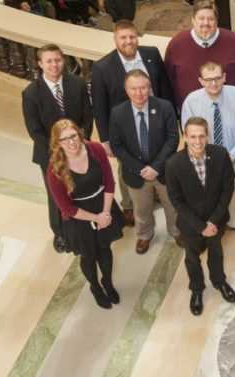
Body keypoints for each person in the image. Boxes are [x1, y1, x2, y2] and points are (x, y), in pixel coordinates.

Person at [92, 20, 174, 225]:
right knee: (126, 167)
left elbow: (163, 85)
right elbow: (100, 106)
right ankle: (130, 205)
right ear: (115, 39)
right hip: (125, 128)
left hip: (157, 118)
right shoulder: (102, 67)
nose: (128, 41)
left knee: (159, 157)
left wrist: (172, 114)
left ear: (137, 37)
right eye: (123, 37)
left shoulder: (152, 54)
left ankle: (155, 191)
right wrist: (105, 139)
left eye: (132, 36)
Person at [22, 44, 93, 253]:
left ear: (63, 60)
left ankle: (85, 225)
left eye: (57, 60)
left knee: (81, 188)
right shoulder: (31, 93)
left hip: (79, 149)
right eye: (49, 61)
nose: (54, 65)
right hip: (50, 155)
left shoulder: (77, 83)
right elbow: (34, 130)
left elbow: (87, 117)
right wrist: (60, 151)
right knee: (57, 195)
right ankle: (60, 233)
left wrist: (79, 143)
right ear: (40, 64)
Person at [46, 119, 124, 309]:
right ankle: (95, 287)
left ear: (79, 134)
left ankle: (107, 281)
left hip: (102, 205)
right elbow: (67, 208)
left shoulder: (95, 149)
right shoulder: (54, 169)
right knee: (89, 256)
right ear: (57, 144)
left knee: (105, 249)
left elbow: (109, 182)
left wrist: (105, 213)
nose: (71, 142)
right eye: (64, 140)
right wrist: (96, 218)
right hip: (79, 217)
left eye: (73, 136)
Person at [165, 117, 235, 315]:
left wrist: (213, 221)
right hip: (190, 225)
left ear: (207, 136)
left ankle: (219, 282)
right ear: (185, 137)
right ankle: (197, 289)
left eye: (201, 136)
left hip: (216, 220)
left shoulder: (221, 155)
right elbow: (177, 201)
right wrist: (200, 226)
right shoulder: (173, 164)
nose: (197, 141)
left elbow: (227, 188)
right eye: (193, 137)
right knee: (192, 257)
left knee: (216, 252)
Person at [182, 61, 235, 241]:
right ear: (200, 80)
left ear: (224, 77)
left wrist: (231, 155)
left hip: (234, 156)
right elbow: (190, 132)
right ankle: (212, 223)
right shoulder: (192, 101)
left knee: (232, 190)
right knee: (207, 192)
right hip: (203, 157)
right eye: (208, 80)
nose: (213, 83)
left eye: (217, 78)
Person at [109, 70, 181, 254]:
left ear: (149, 88)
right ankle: (144, 235)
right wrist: (141, 169)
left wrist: (155, 167)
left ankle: (176, 231)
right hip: (135, 173)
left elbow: (173, 139)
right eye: (134, 89)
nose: (139, 93)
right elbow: (117, 146)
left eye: (143, 88)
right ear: (126, 90)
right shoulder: (118, 113)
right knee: (141, 209)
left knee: (172, 205)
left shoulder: (165, 107)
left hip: (164, 170)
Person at [165, 0, 235, 109]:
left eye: (210, 19)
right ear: (193, 20)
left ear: (217, 21)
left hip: (229, 111)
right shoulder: (176, 44)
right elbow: (168, 81)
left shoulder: (234, 42)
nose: (206, 23)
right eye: (201, 18)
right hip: (191, 115)